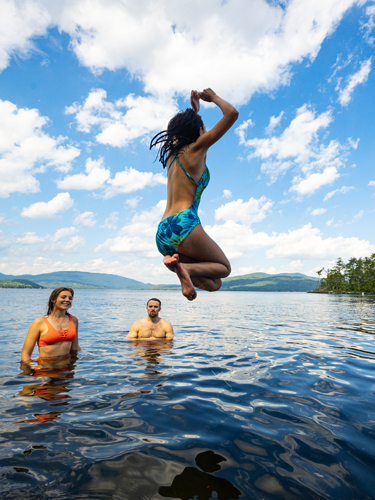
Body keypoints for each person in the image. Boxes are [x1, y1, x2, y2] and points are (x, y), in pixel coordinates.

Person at [150, 88, 239, 301]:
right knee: (224, 268)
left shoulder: (172, 155)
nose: (206, 130)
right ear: (198, 130)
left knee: (214, 284)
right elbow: (232, 114)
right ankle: (185, 270)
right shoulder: (197, 148)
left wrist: (194, 111)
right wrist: (213, 98)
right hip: (184, 222)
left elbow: (185, 131)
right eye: (203, 128)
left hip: (163, 231)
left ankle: (180, 269)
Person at [21, 287, 81, 365]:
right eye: (63, 297)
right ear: (53, 299)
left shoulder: (74, 320)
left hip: (67, 369)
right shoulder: (39, 322)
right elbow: (25, 354)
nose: (67, 300)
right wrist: (33, 368)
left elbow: (75, 348)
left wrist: (94, 355)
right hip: (46, 369)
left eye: (70, 298)